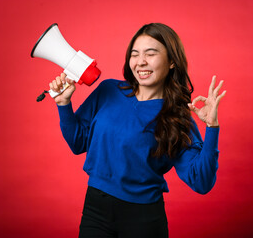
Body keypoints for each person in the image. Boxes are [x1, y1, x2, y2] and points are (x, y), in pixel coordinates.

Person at [49, 23, 226, 238]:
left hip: (144, 221)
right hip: (95, 210)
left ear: (171, 61)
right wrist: (64, 105)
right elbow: (78, 143)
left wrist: (212, 127)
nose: (141, 61)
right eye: (135, 54)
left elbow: (202, 181)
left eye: (150, 54)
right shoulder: (108, 90)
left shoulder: (177, 116)